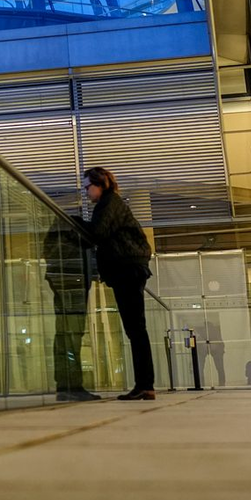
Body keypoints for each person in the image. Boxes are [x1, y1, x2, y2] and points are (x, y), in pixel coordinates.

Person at [83, 165, 156, 400]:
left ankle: (144, 384)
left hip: (127, 270)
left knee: (135, 330)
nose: (86, 192)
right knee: (136, 329)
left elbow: (97, 233)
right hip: (130, 269)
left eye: (88, 187)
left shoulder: (109, 204)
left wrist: (75, 224)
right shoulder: (113, 203)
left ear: (100, 184)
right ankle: (145, 385)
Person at [43, 218, 100, 401]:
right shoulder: (70, 240)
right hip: (72, 284)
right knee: (72, 333)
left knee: (66, 333)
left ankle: (65, 384)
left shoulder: (56, 238)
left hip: (66, 284)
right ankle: (72, 385)